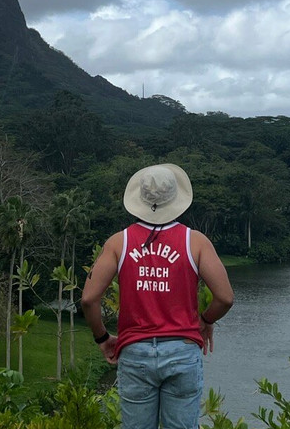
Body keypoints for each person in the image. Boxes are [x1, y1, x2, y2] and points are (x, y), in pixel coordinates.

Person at [81, 162, 234, 429]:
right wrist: (205, 320)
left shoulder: (119, 242)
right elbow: (225, 297)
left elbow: (88, 299)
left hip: (135, 351)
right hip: (182, 350)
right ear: (176, 199)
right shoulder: (195, 242)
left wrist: (103, 338)